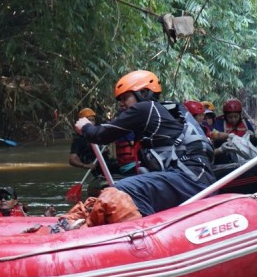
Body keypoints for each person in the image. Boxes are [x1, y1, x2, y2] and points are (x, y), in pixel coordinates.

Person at [74, 70, 215, 219]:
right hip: (194, 179)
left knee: (121, 190)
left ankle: (140, 230)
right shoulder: (160, 112)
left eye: (126, 97)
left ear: (144, 93)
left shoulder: (146, 108)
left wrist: (85, 126)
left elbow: (100, 135)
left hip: (189, 179)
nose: (122, 104)